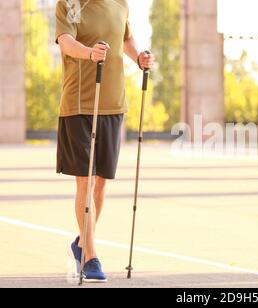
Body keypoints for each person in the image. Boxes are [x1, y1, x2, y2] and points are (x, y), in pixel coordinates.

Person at [55, 0, 155, 283]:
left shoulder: (120, 3)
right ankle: (90, 256)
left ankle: (81, 244)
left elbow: (126, 39)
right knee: (85, 180)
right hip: (79, 103)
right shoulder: (70, 3)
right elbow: (65, 42)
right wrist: (90, 54)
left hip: (113, 103)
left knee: (101, 181)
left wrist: (140, 58)